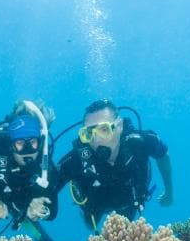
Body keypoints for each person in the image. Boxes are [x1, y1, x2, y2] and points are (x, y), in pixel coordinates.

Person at [57, 99, 174, 233]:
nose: (96, 139)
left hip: (128, 200)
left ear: (119, 125)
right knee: (90, 223)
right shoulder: (78, 157)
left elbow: (163, 155)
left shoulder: (140, 142)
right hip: (94, 201)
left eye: (104, 129)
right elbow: (52, 182)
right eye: (89, 133)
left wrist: (169, 191)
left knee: (123, 235)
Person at [0, 100, 60, 241]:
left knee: (43, 239)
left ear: (40, 142)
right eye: (20, 143)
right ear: (10, 144)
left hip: (28, 206)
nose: (27, 151)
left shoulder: (44, 164)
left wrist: (42, 209)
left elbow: (53, 211)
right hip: (4, 198)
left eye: (33, 142)